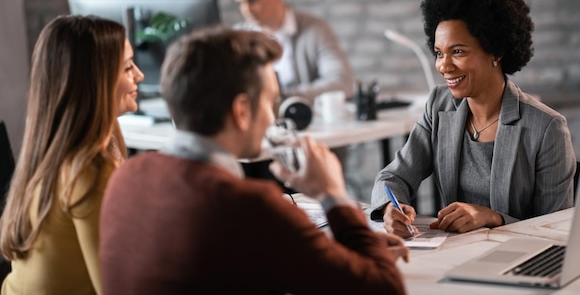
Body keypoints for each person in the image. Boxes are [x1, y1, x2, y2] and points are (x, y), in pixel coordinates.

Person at [99, 27, 408, 295]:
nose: (272, 118)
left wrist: (346, 254)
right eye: (270, 102)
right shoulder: (248, 205)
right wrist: (333, 194)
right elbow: (385, 289)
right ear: (242, 110)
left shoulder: (126, 177)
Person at [370, 0, 577, 236]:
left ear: (496, 50)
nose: (443, 66)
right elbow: (392, 177)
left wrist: (494, 218)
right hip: (452, 254)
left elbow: (558, 229)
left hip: (515, 261)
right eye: (438, 53)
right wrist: (391, 208)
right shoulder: (439, 106)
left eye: (457, 52)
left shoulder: (547, 128)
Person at [0, 15, 144, 294]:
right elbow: (116, 287)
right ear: (96, 82)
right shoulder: (89, 169)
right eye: (127, 67)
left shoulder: (52, 152)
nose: (139, 75)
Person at [228, 0, 354, 102]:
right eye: (240, 3)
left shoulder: (315, 29)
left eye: (252, 0)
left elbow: (343, 83)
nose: (246, 10)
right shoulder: (238, 37)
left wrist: (281, 97)